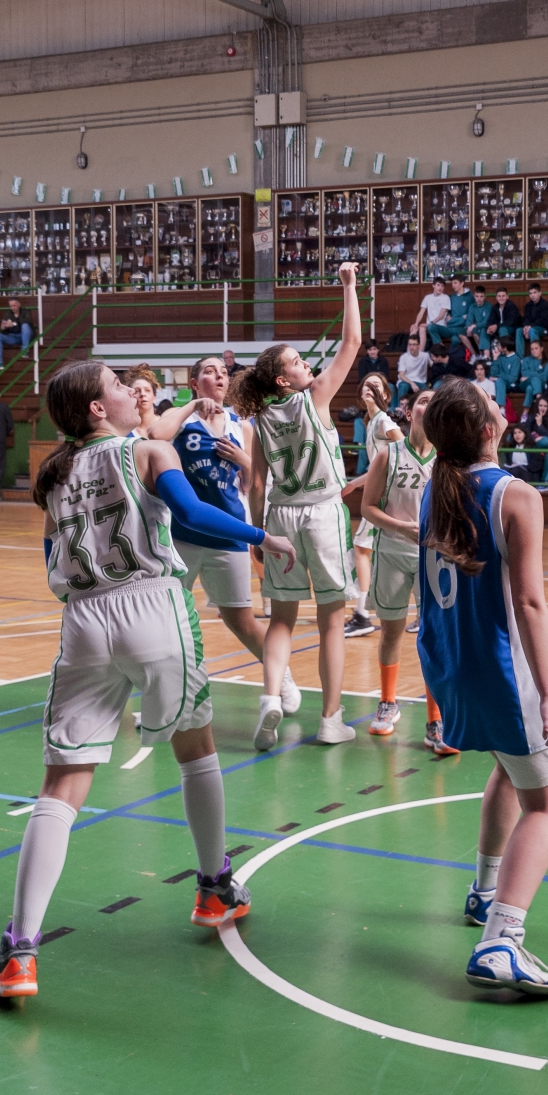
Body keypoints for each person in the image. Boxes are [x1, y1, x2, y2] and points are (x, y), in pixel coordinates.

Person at [0, 360, 296, 1001]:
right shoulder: (148, 452)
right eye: (120, 387)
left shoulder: (53, 474)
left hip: (83, 619)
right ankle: (214, 887)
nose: (132, 392)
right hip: (152, 607)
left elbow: (51, 557)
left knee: (61, 783)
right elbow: (194, 517)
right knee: (196, 748)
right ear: (98, 408)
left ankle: (20, 953)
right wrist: (261, 536)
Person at [417, 378, 548, 995]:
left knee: (509, 769)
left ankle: (486, 891)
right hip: (505, 673)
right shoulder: (515, 494)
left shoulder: (436, 486)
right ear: (489, 428)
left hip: (451, 664)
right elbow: (529, 603)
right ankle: (501, 941)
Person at [238, 261, 362, 751]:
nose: (305, 363)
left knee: (282, 619)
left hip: (280, 517)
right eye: (295, 361)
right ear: (283, 381)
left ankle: (271, 696)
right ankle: (330, 719)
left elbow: (256, 483)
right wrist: (349, 286)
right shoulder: (316, 397)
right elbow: (351, 342)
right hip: (323, 513)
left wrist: (257, 533)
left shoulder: (260, 418)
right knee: (331, 620)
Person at [147, 353, 300, 716]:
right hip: (182, 536)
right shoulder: (180, 418)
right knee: (165, 621)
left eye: (222, 372)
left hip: (229, 533)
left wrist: (242, 459)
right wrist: (191, 406)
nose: (218, 376)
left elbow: (255, 480)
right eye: (209, 371)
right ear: (194, 382)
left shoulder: (241, 425)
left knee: (241, 621)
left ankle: (283, 679)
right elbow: (155, 435)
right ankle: (163, 698)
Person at [360, 388, 451, 753]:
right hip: (393, 553)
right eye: (422, 400)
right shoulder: (388, 454)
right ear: (410, 412)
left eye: (434, 402)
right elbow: (367, 508)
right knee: (391, 632)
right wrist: (402, 527)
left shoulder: (447, 460)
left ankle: (436, 719)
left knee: (434, 637)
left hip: (434, 557)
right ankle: (387, 701)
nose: (427, 405)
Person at [346, 374, 403, 638]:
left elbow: (406, 449)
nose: (369, 389)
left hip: (384, 497)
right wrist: (353, 484)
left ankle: (362, 615)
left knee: (361, 550)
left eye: (376, 386)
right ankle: (365, 610)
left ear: (386, 395)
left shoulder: (383, 421)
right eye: (366, 385)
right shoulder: (370, 422)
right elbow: (377, 467)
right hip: (381, 492)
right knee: (376, 552)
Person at [0, 297, 35, 369]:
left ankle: (24, 351)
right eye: (11, 306)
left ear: (19, 304)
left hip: (26, 336)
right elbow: (4, 332)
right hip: (13, 337)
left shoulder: (26, 311)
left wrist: (14, 324)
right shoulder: (8, 314)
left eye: (14, 305)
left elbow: (28, 321)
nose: (13, 308)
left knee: (25, 326)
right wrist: (4, 327)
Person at [516, 283, 548, 357]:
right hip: (531, 328)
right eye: (530, 293)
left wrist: (530, 327)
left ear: (540, 293)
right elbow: (526, 318)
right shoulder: (528, 305)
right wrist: (525, 327)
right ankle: (520, 358)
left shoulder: (546, 305)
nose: (532, 295)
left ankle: (534, 356)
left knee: (532, 330)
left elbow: (543, 321)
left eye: (534, 292)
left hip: (544, 329)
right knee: (519, 331)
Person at [412, 277, 451, 351]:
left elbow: (441, 315)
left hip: (441, 327)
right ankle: (421, 352)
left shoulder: (445, 298)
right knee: (420, 328)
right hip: (430, 326)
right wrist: (416, 324)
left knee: (431, 327)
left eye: (442, 286)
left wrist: (430, 324)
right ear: (433, 285)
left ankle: (440, 349)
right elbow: (421, 312)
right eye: (438, 285)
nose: (440, 288)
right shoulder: (427, 297)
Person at [125, 363, 161, 437]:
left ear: (154, 397)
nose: (142, 394)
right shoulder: (124, 431)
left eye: (147, 390)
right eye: (137, 391)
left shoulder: (166, 425)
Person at [489, 337, 523, 411]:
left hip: (511, 385)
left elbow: (513, 378)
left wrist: (498, 377)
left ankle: (501, 408)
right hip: (499, 382)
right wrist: (495, 359)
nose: (497, 347)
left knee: (499, 381)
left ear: (505, 348)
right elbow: (493, 374)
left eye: (499, 345)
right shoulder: (500, 357)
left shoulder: (516, 359)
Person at [462, 285, 493, 356]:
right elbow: (469, 321)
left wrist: (474, 326)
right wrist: (469, 328)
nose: (479, 299)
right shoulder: (472, 307)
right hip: (477, 329)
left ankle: (484, 355)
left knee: (482, 331)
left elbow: (486, 322)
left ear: (485, 296)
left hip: (485, 328)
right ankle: (478, 355)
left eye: (481, 296)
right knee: (464, 333)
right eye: (477, 296)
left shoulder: (488, 306)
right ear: (474, 296)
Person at [519, 340, 548, 410]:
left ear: (541, 349)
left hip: (540, 384)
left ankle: (525, 412)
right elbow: (524, 373)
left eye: (536, 348)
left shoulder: (546, 362)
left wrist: (530, 375)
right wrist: (538, 374)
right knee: (534, 379)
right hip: (525, 383)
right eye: (532, 349)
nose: (534, 351)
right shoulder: (526, 360)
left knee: (530, 388)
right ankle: (539, 398)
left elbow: (545, 377)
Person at [396, 336, 430, 401]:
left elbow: (433, 365)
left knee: (425, 390)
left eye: (414, 344)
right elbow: (401, 375)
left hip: (420, 381)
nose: (411, 347)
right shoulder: (404, 357)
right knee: (403, 386)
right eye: (410, 344)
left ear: (418, 346)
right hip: (406, 381)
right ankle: (400, 406)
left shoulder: (425, 356)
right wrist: (412, 383)